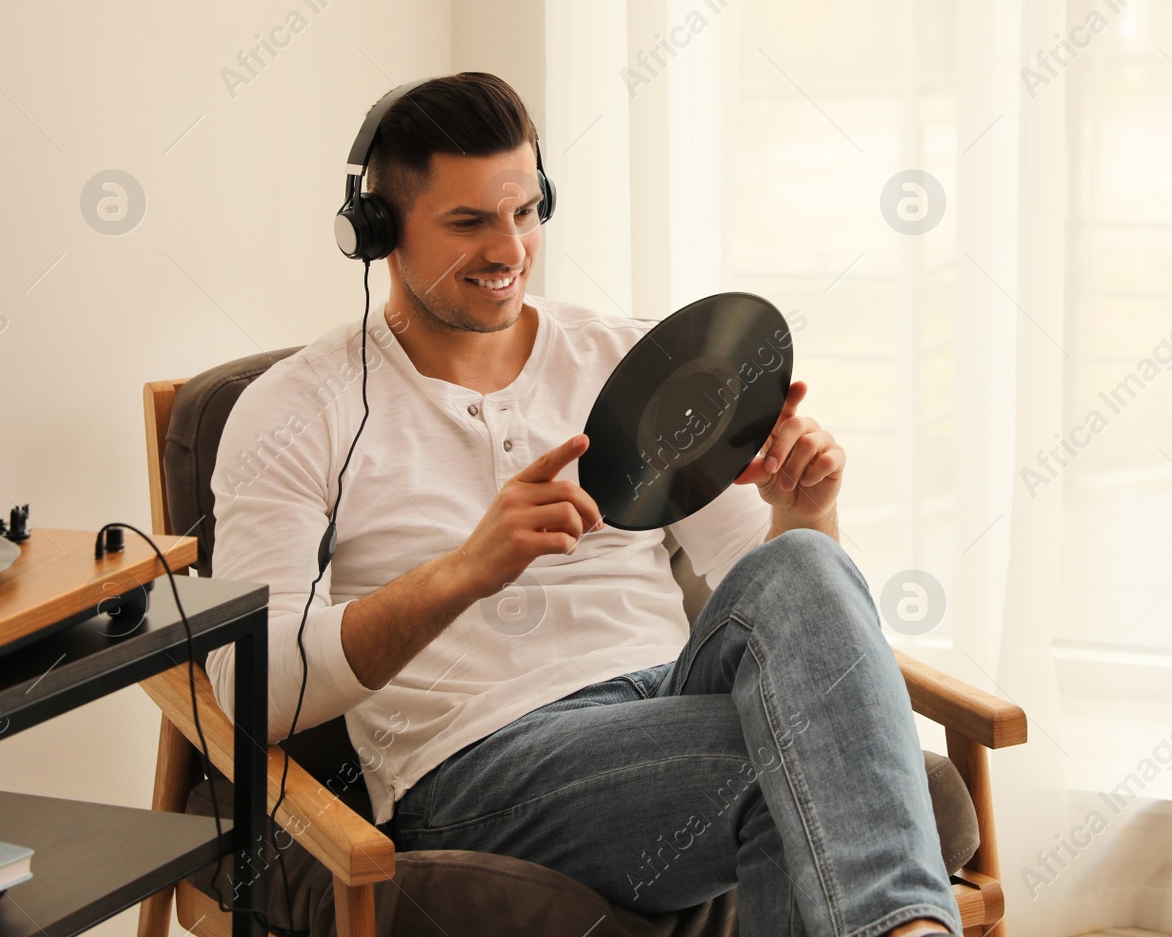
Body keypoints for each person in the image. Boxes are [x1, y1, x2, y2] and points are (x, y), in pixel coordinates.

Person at [205, 72, 961, 936]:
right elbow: (251, 688)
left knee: (804, 564)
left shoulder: (623, 357)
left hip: (664, 696)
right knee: (813, 774)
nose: (509, 250)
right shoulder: (298, 409)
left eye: (525, 211)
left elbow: (767, 594)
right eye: (468, 222)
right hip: (482, 760)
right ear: (376, 230)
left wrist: (804, 509)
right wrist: (463, 574)